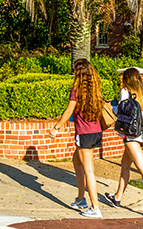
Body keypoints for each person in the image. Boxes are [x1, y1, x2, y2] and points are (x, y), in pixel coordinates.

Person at [102, 67, 143, 217]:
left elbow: (122, 111)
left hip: (131, 136)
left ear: (126, 79)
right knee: (125, 166)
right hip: (142, 136)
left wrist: (111, 107)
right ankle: (117, 197)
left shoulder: (125, 91)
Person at [54, 58, 115, 218]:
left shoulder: (76, 90)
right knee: (76, 161)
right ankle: (81, 199)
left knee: (89, 171)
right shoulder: (95, 90)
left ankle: (95, 207)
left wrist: (56, 127)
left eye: (74, 70)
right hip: (96, 133)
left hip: (84, 134)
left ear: (78, 73)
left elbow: (68, 112)